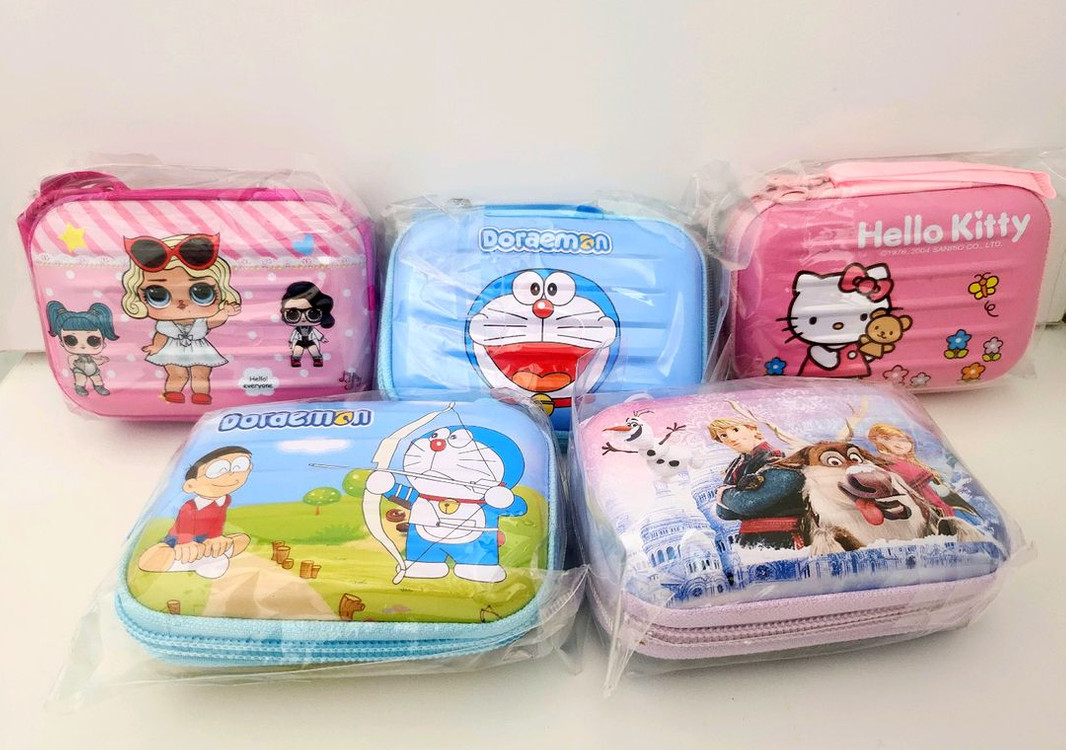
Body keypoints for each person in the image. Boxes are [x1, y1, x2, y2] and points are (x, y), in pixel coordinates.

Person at [120, 233, 241, 405]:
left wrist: (225, 311)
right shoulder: (166, 323)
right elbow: (161, 335)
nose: (181, 304)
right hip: (173, 349)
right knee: (177, 374)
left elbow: (214, 321)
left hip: (199, 350)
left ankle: (201, 395)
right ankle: (173, 393)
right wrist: (156, 346)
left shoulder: (200, 321)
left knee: (201, 373)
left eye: (202, 293)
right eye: (158, 295)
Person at [137, 446, 253, 579]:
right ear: (190, 485)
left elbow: (218, 520)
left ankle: (196, 559)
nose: (231, 475)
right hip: (177, 540)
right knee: (154, 556)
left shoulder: (224, 500)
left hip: (205, 539)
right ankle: (185, 558)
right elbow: (184, 526)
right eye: (218, 470)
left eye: (240, 466)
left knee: (242, 539)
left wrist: (215, 537)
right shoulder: (190, 506)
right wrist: (185, 543)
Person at [709, 416, 806, 549]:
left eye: (736, 430)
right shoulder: (735, 465)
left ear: (752, 429)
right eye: (723, 435)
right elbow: (725, 513)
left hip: (782, 538)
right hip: (749, 540)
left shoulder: (777, 457)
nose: (731, 438)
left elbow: (747, 504)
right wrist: (733, 496)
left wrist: (723, 493)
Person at [867, 423, 978, 519]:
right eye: (887, 440)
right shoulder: (895, 464)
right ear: (881, 446)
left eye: (901, 439)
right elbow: (928, 491)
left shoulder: (909, 461)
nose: (899, 444)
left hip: (946, 502)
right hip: (938, 506)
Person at [45, 301, 118, 396]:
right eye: (71, 340)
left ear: (103, 343)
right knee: (80, 379)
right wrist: (72, 366)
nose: (83, 346)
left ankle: (99, 386)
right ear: (62, 342)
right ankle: (79, 387)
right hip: (80, 369)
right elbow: (71, 361)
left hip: (93, 369)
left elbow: (96, 361)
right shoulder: (75, 357)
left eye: (93, 340)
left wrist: (102, 360)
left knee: (97, 378)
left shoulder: (90, 357)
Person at [280, 281, 335, 367]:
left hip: (310, 341)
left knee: (314, 350)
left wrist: (322, 338)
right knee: (297, 351)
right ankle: (295, 360)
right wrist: (290, 342)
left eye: (312, 313)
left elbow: (316, 333)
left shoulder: (311, 329)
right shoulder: (297, 330)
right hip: (300, 341)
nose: (302, 318)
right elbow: (293, 335)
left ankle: (317, 359)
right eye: (293, 314)